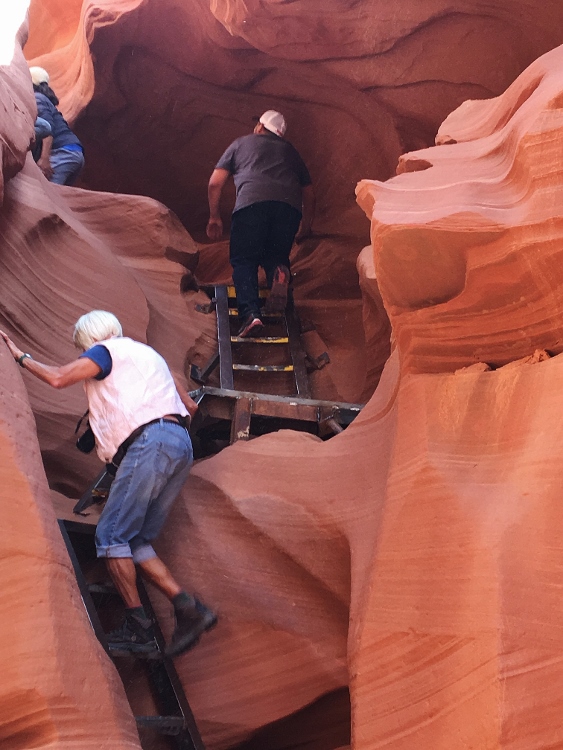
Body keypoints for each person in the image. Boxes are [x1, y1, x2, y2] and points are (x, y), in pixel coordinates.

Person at [0, 311, 217, 657]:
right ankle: (189, 609)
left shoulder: (104, 352)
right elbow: (189, 405)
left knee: (110, 536)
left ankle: (139, 628)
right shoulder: (151, 357)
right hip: (179, 444)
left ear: (90, 340)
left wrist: (20, 357)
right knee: (136, 539)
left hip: (150, 445)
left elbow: (58, 379)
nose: (83, 353)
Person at [207, 110, 315, 337]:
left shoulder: (240, 144)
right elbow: (309, 193)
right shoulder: (290, 152)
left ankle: (250, 314)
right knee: (275, 255)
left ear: (260, 127)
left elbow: (215, 183)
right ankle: (279, 271)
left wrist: (214, 216)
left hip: (251, 206)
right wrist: (305, 227)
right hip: (288, 210)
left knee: (244, 260)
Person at [29, 66, 85, 185]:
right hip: (73, 153)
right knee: (59, 197)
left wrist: (45, 159)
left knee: (46, 195)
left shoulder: (37, 99)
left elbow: (48, 128)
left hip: (62, 153)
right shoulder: (44, 100)